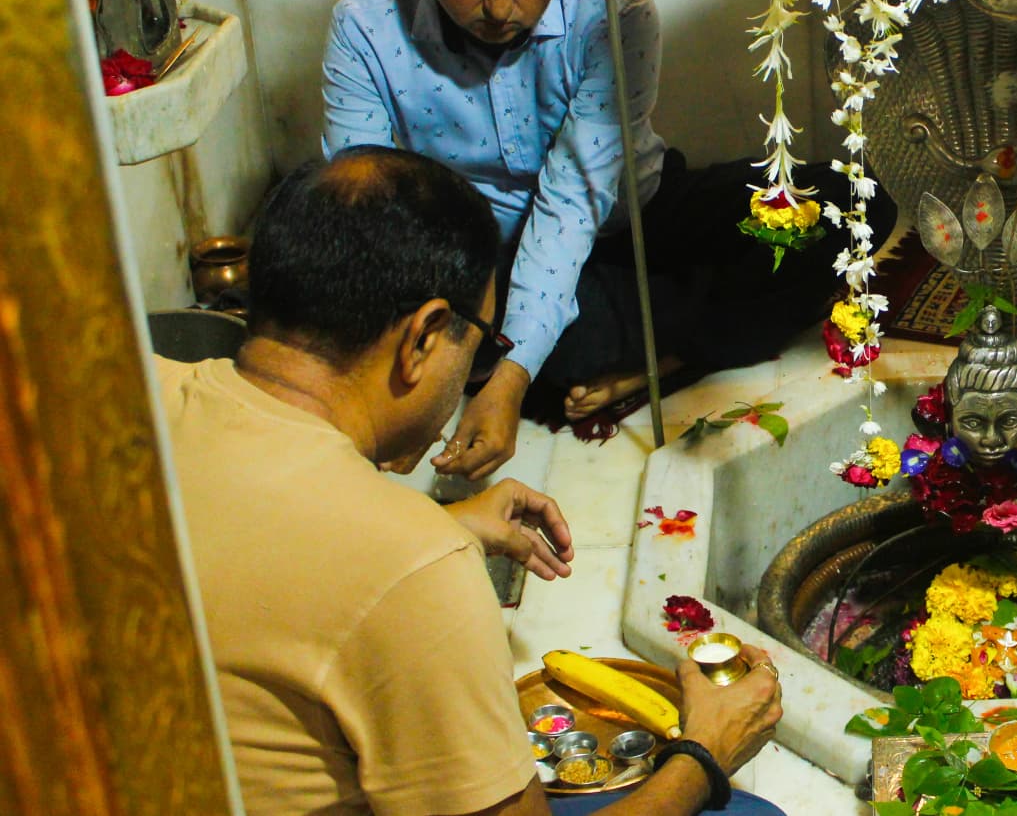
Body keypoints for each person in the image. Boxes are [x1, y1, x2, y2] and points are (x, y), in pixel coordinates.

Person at [160, 146, 785, 816]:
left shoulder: (142, 393)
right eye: (483, 341)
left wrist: (442, 524)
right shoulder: (416, 571)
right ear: (424, 337)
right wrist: (706, 753)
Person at [322, 0, 892, 479]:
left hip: (635, 214)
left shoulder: (617, 10)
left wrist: (508, 377)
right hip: (487, 259)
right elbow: (369, 213)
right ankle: (639, 332)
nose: (501, 8)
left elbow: (572, 201)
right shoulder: (364, 27)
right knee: (497, 329)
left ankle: (655, 355)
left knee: (852, 206)